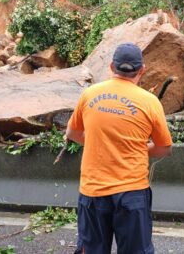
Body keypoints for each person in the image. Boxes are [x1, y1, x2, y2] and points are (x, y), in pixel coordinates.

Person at [66, 43, 172, 254]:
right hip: (132, 193)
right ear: (141, 70)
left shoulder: (90, 94)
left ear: (111, 67)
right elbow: (164, 148)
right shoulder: (150, 102)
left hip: (93, 192)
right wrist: (139, 149)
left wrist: (99, 143)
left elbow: (72, 133)